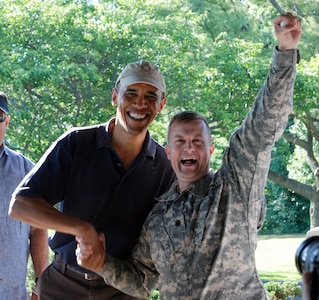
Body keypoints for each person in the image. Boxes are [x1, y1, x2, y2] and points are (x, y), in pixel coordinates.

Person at [75, 13, 302, 299]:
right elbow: (142, 280)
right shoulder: (158, 217)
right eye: (180, 141)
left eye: (197, 141)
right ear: (168, 153)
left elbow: (263, 126)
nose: (189, 148)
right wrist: (102, 264)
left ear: (210, 150)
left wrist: (285, 53)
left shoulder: (234, 189)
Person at [9, 61, 175, 299]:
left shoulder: (165, 166)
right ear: (115, 96)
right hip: (62, 285)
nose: (140, 103)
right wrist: (81, 228)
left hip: (123, 291)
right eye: (131, 93)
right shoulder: (77, 143)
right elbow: (20, 205)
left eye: (151, 96)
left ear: (162, 104)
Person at [0, 92, 49, 300]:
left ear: (7, 121)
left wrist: (41, 283)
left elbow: (38, 228)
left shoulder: (25, 171)